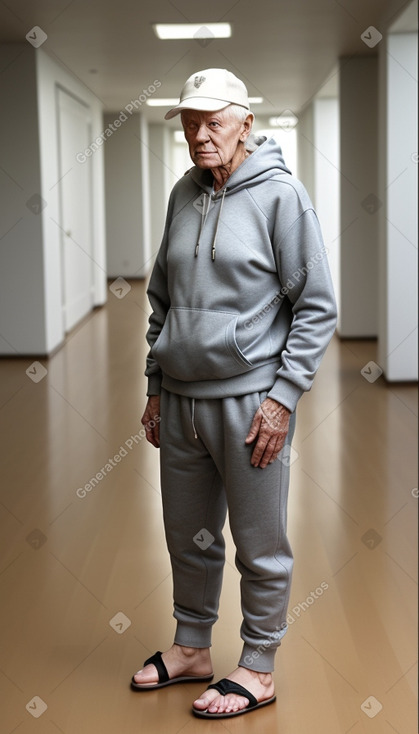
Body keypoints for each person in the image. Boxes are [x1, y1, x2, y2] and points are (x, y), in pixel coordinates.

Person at [131, 68, 337, 719]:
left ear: (245, 122)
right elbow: (162, 299)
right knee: (187, 535)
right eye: (189, 123)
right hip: (182, 398)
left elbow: (316, 306)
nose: (198, 135)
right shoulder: (181, 194)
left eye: (212, 121)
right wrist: (156, 384)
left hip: (251, 402)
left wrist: (282, 396)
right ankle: (192, 647)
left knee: (258, 539)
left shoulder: (281, 196)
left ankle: (258, 665)